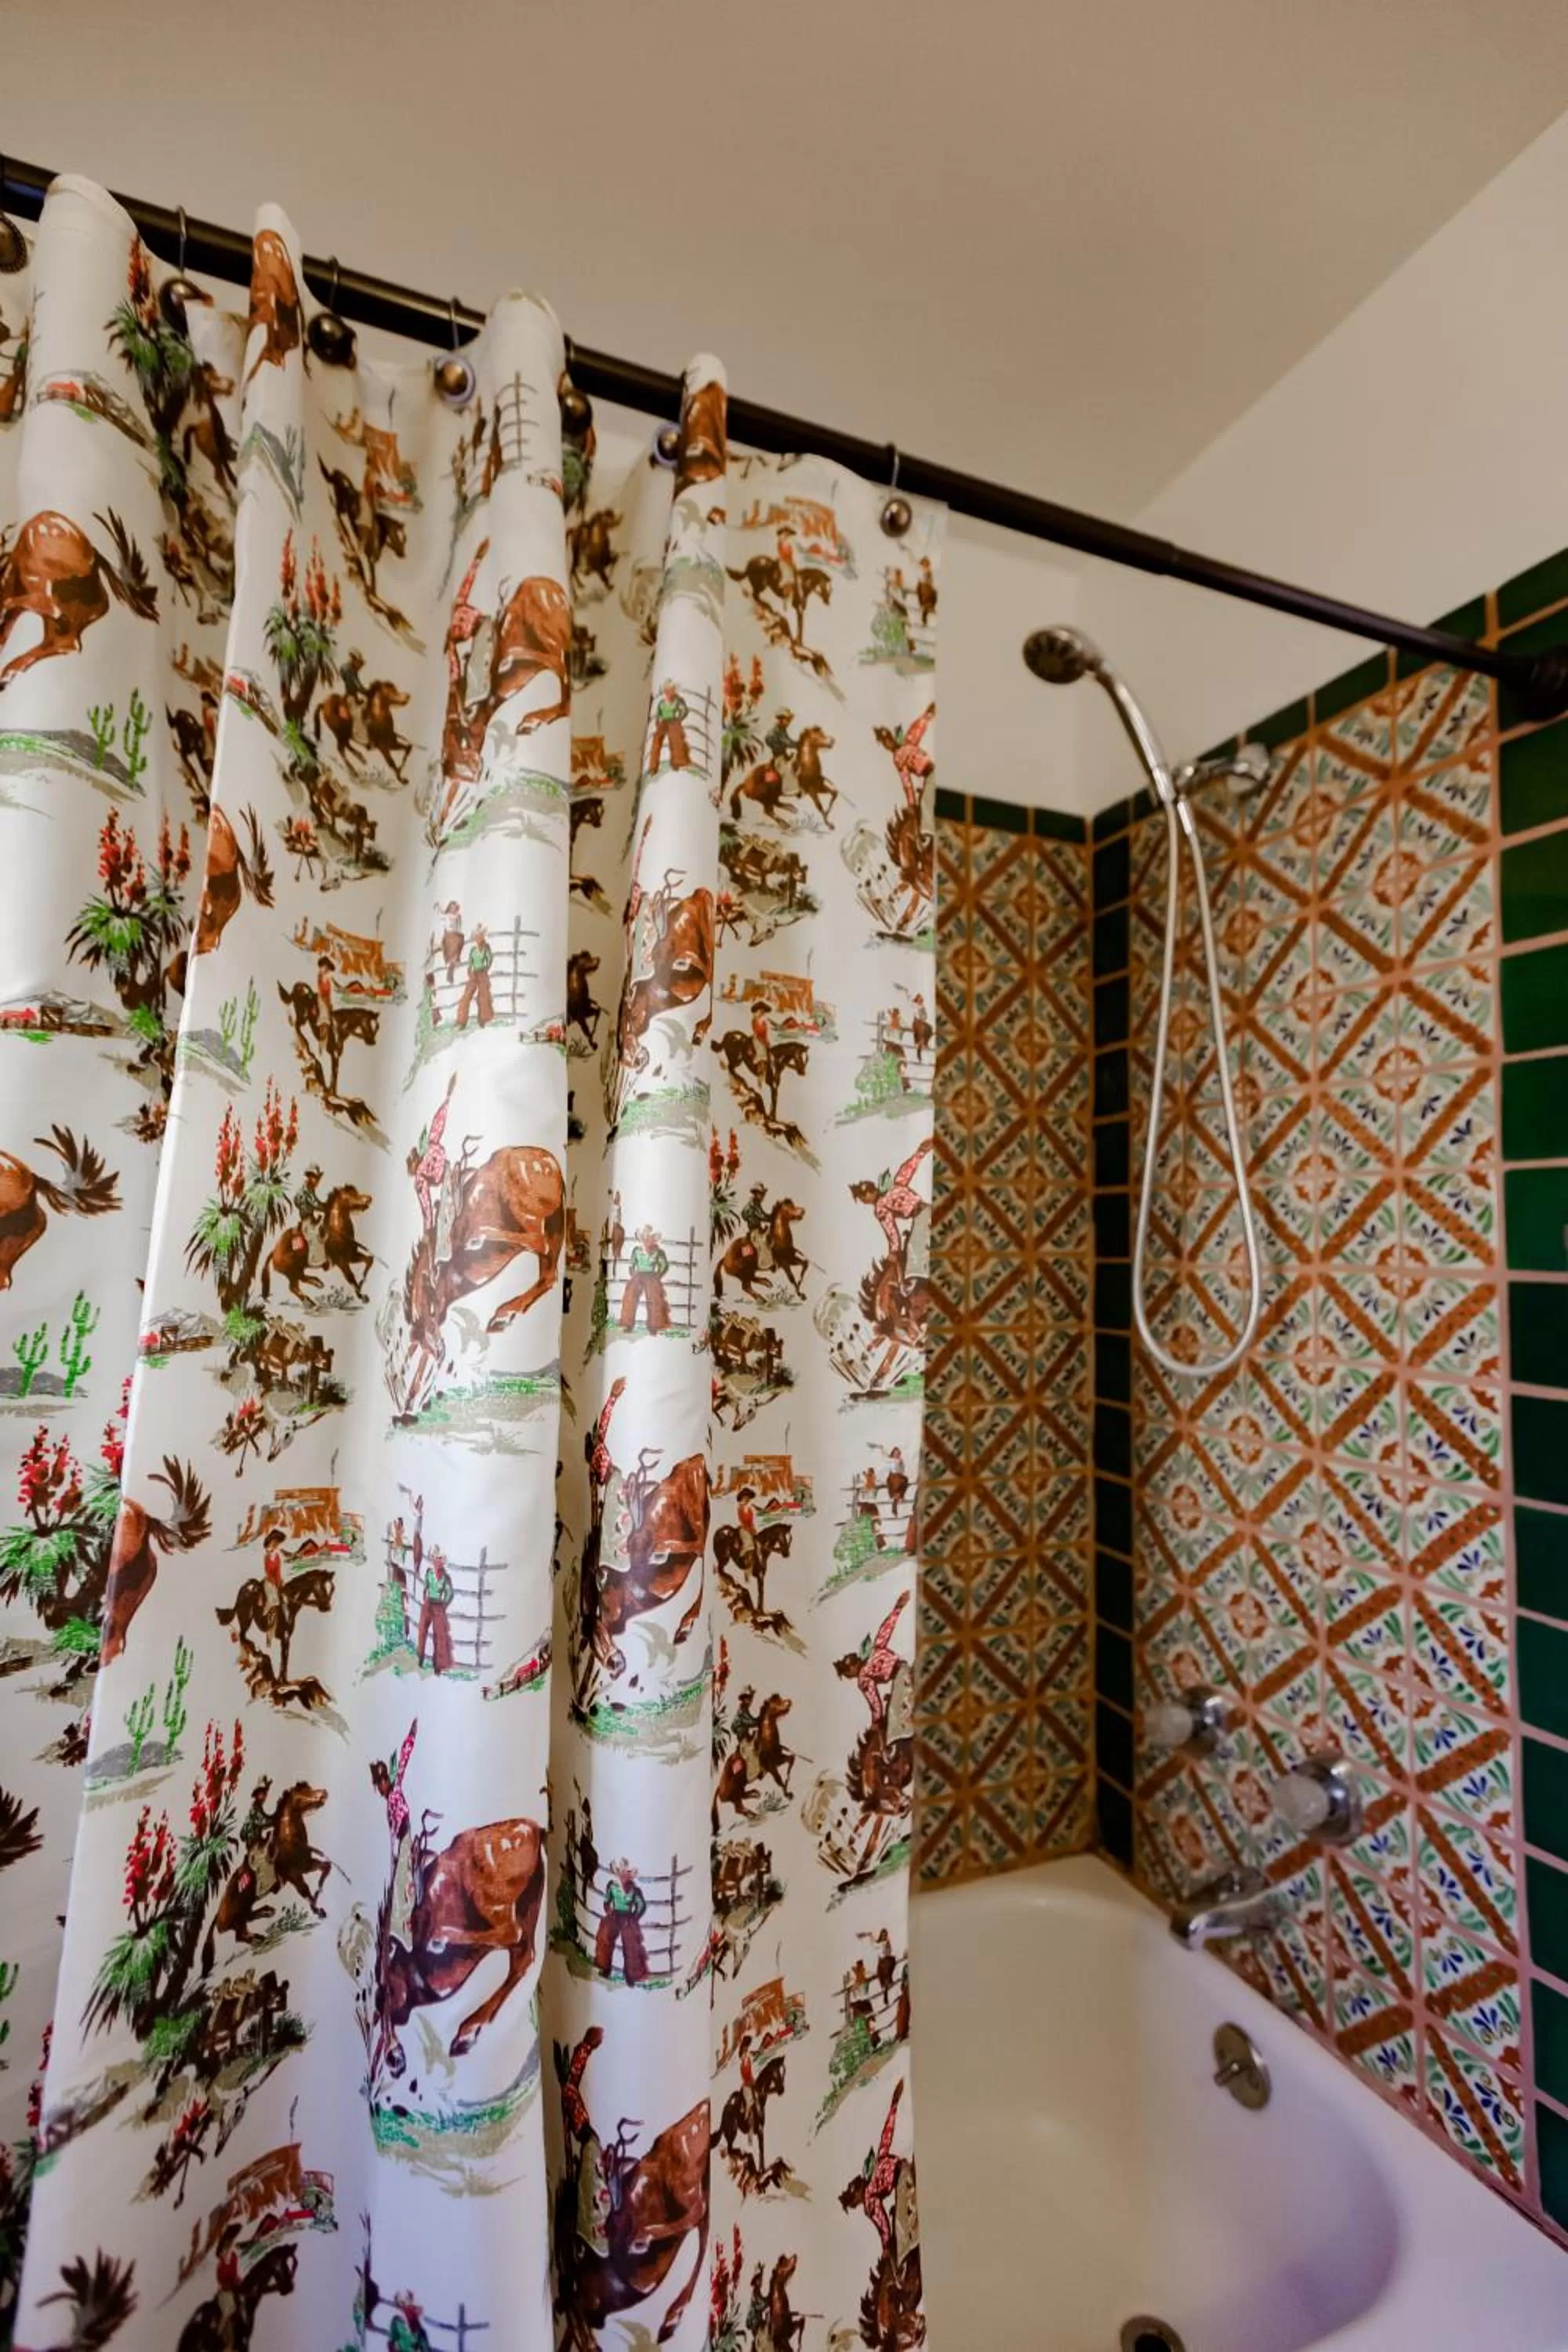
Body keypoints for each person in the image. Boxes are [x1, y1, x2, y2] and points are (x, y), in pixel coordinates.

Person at [594, 1856, 649, 1985]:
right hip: (615, 1915)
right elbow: (607, 1901)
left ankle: (630, 1975)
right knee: (605, 1936)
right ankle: (605, 1968)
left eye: (626, 1873)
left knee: (631, 1945)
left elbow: (641, 1905)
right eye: (621, 1872)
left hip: (627, 1917)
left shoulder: (634, 1890)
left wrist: (634, 1917)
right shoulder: (612, 1886)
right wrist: (609, 1910)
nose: (623, 1875)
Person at [619, 1224, 670, 1334]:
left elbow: (664, 1265)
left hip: (651, 1276)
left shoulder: (657, 1252)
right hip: (638, 1275)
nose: (647, 1241)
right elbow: (631, 1264)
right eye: (645, 1238)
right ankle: (628, 1324)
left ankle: (654, 1326)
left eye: (649, 1238)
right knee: (630, 1296)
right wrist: (633, 1274)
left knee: (654, 1298)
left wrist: (658, 1275)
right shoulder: (637, 1250)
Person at [417, 1544, 454, 1674]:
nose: (438, 1560)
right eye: (435, 1557)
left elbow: (450, 1594)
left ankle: (437, 1666)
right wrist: (424, 1596)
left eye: (440, 1558)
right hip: (428, 1604)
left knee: (439, 1636)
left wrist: (444, 1605)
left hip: (438, 1606)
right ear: (432, 1558)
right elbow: (426, 1586)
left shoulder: (445, 1577)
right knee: (422, 1631)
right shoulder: (429, 1573)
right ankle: (420, 1659)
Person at [456, 920, 494, 1029]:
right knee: (467, 995)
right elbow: (470, 963)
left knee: (483, 996)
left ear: (483, 937)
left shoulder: (486, 948)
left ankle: (483, 1019)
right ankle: (461, 1021)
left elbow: (490, 959)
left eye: (480, 936)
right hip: (474, 973)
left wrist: (486, 969)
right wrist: (470, 972)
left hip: (482, 972)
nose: (478, 938)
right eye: (477, 936)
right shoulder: (473, 950)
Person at [648, 678, 691, 771]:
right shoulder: (662, 703)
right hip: (664, 721)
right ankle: (653, 766)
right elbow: (659, 713)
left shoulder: (678, 700)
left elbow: (685, 711)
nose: (669, 692)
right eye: (668, 690)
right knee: (656, 739)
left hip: (673, 721)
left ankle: (678, 762)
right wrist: (657, 721)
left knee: (676, 738)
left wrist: (679, 718)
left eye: (671, 689)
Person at [387, 2288, 433, 2352]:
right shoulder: (397, 2320)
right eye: (401, 2302)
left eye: (407, 2300)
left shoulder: (418, 2326)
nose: (405, 2304)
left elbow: (424, 2345)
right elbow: (392, 2341)